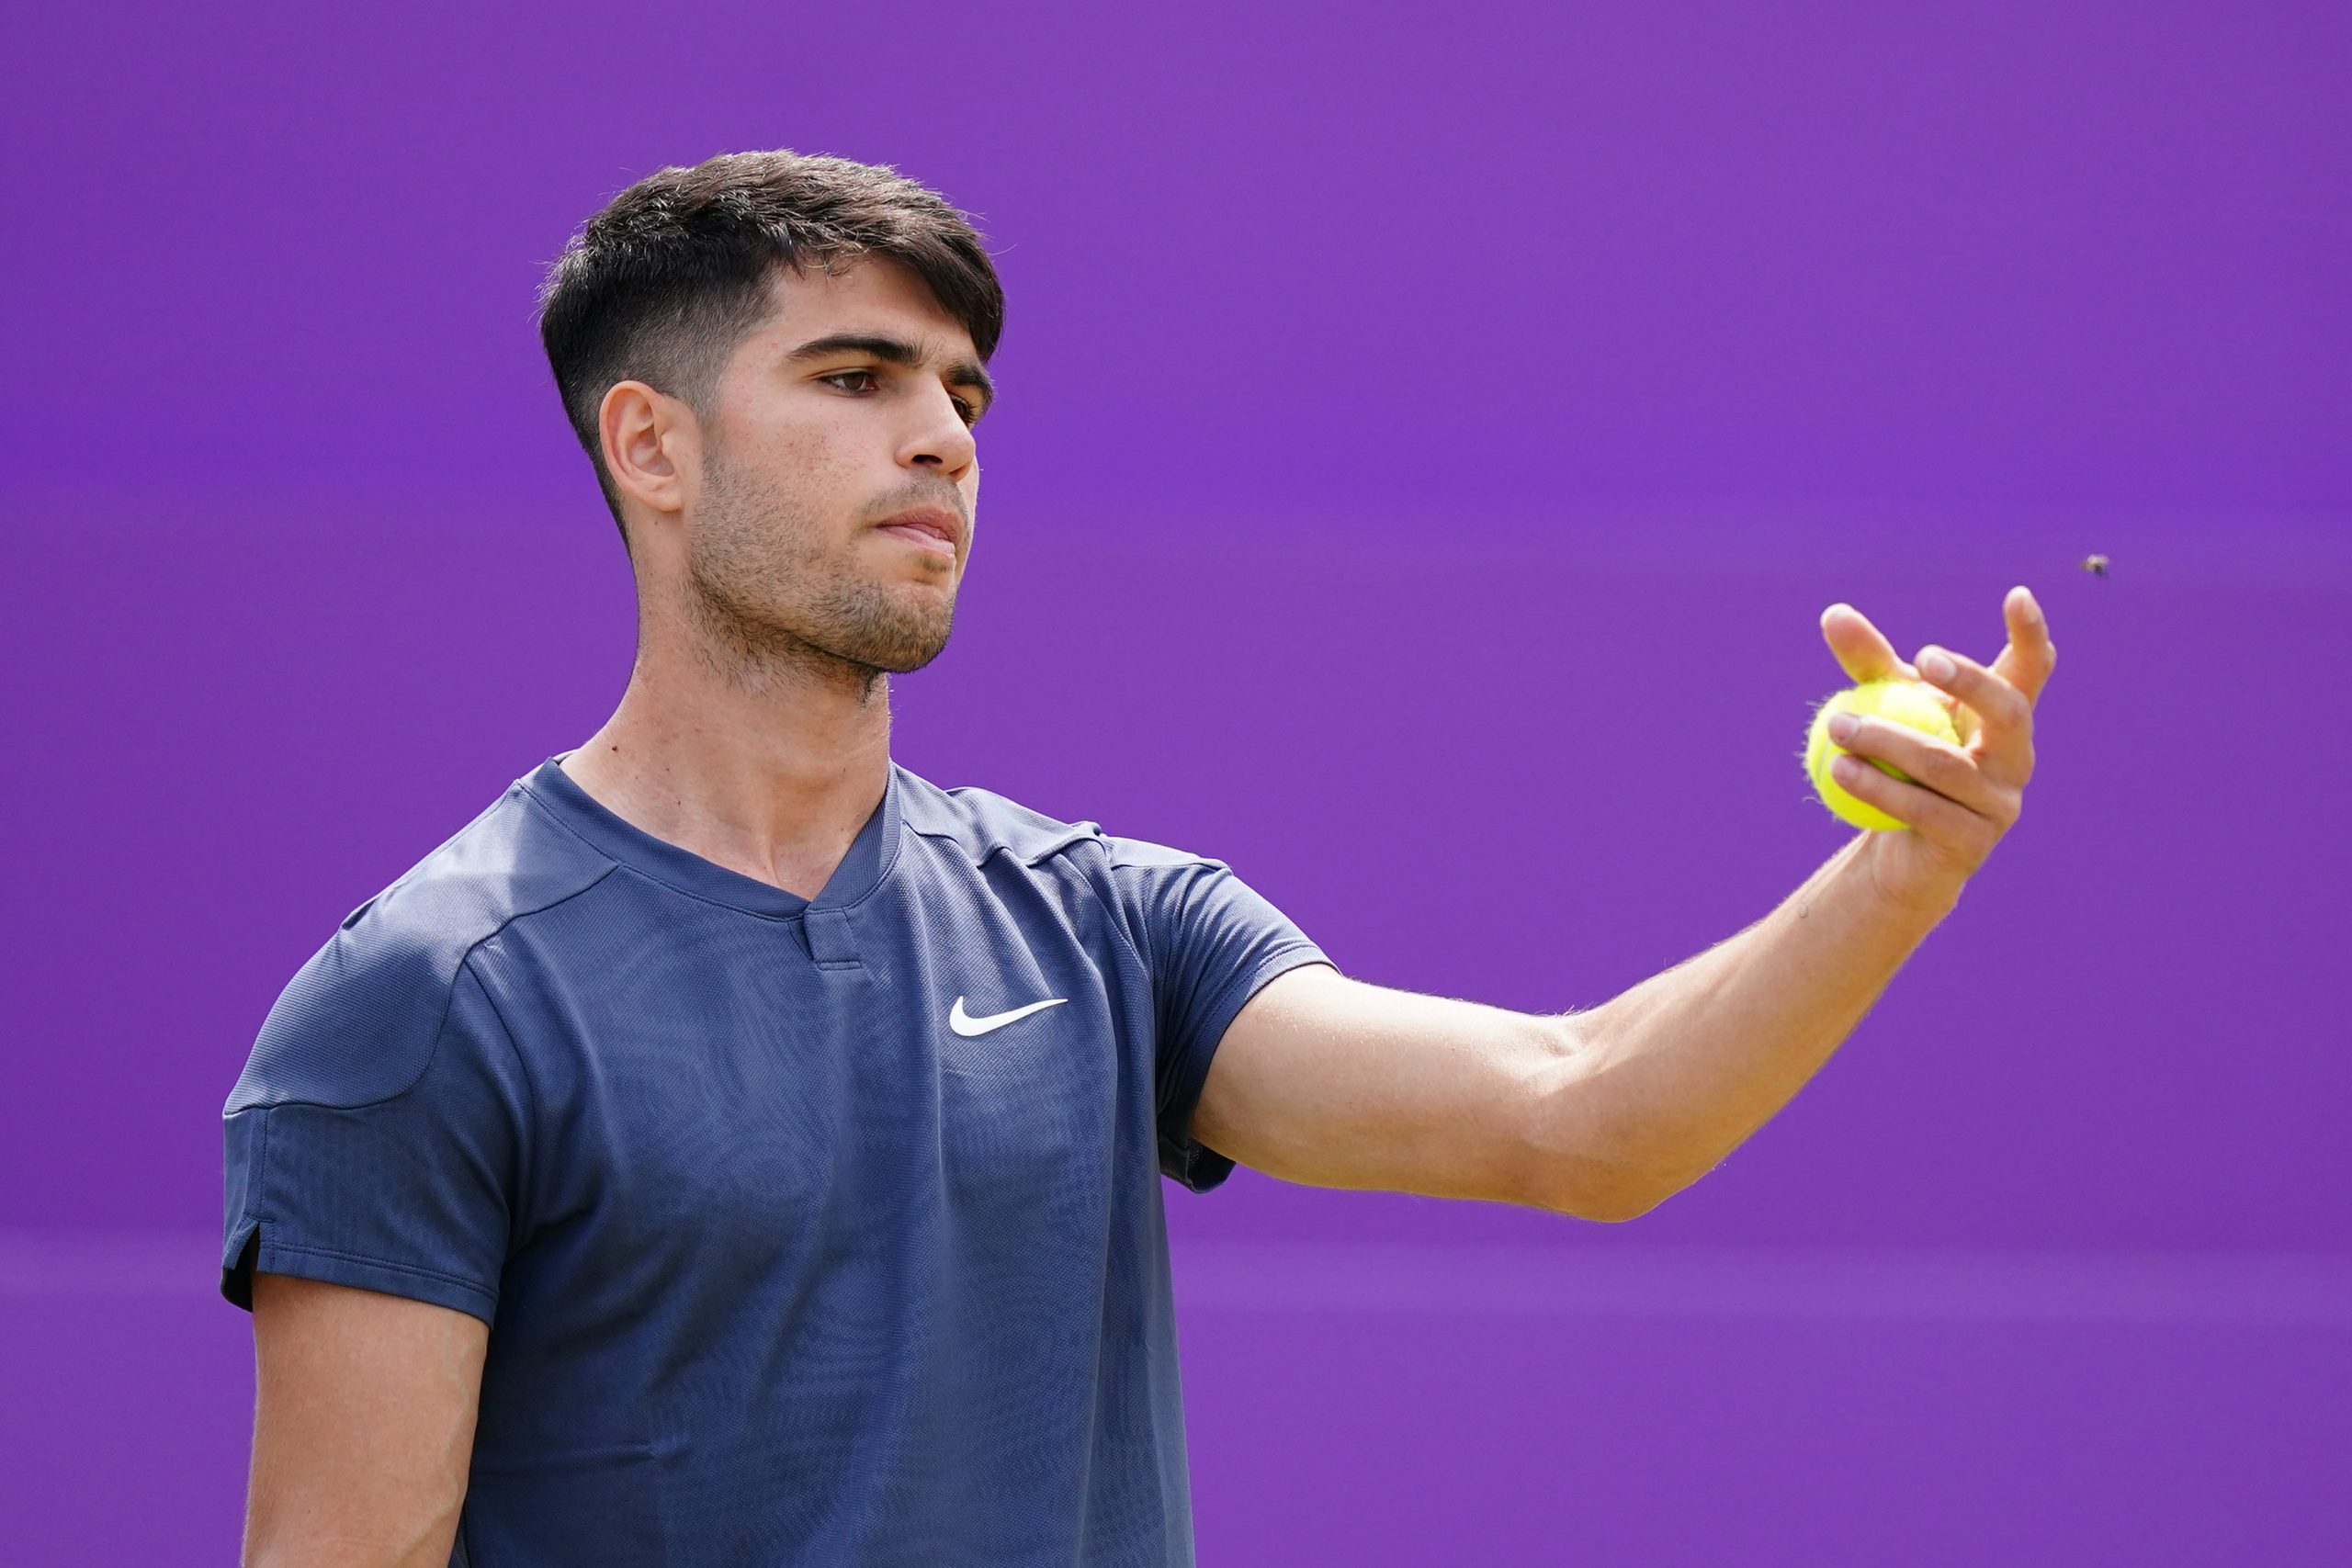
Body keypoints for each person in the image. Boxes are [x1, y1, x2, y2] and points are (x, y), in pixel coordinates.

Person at [221, 149, 2056, 1567]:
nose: (938, 434)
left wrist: (1899, 873)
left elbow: (1579, 1113)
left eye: (962, 393)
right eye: (855, 376)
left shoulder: (1110, 923)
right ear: (654, 445)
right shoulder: (431, 994)